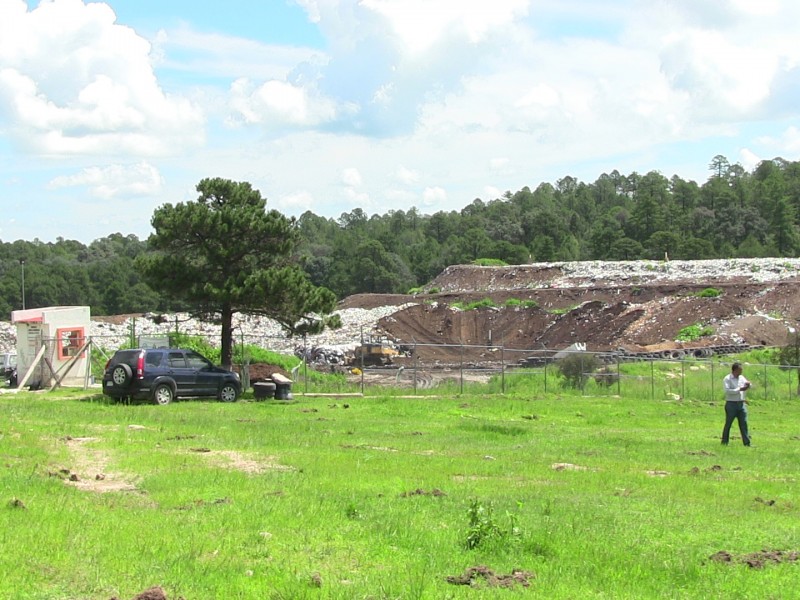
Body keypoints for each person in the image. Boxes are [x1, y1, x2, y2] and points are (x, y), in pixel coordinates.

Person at [721, 362, 751, 446]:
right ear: (734, 370)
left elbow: (748, 385)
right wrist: (739, 389)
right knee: (728, 424)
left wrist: (749, 385)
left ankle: (747, 443)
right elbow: (727, 391)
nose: (741, 372)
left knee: (744, 424)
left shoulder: (741, 377)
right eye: (739, 370)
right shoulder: (727, 379)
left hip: (741, 404)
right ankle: (724, 442)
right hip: (731, 404)